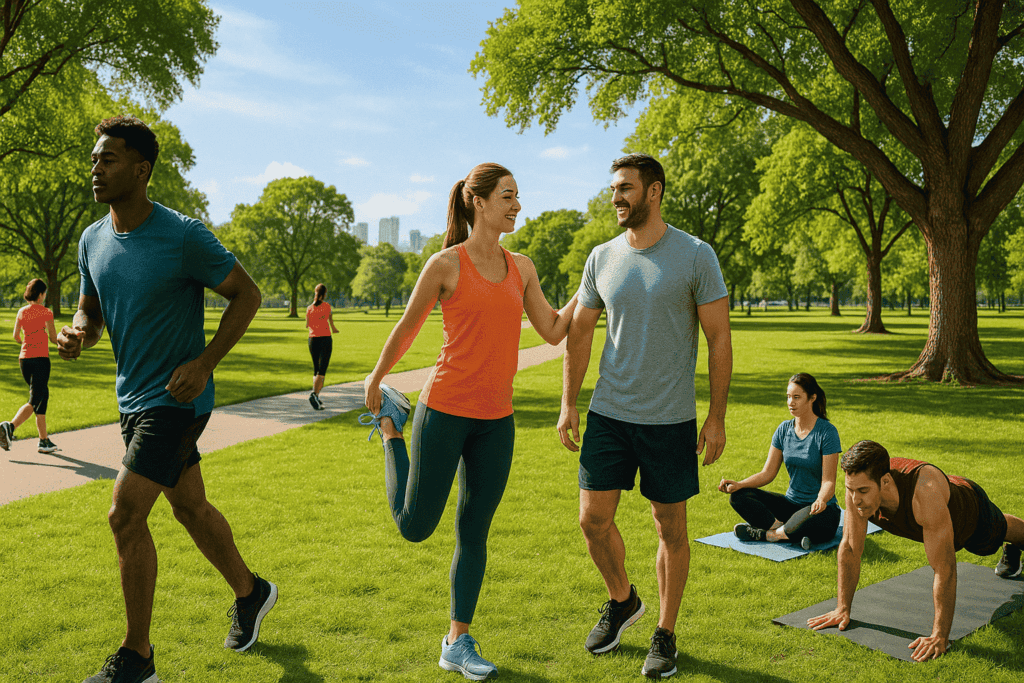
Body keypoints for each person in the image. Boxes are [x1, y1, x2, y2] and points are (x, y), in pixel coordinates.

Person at [56, 116, 274, 683]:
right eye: (94, 159)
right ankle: (251, 593)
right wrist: (79, 332)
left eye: (108, 159)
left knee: (125, 513)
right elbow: (91, 311)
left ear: (141, 168)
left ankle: (138, 657)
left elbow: (247, 294)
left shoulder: (182, 235)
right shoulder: (91, 238)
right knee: (188, 506)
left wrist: (204, 364)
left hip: (177, 402)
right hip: (131, 398)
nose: (95, 169)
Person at [361, 162, 578, 681]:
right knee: (415, 527)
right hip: (443, 411)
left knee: (473, 530)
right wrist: (375, 380)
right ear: (478, 202)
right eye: (507, 196)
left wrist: (593, 282)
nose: (517, 205)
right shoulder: (445, 264)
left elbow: (551, 330)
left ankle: (457, 640)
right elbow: (407, 327)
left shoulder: (522, 266)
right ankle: (391, 431)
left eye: (518, 196)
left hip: (496, 422)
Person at [557, 153, 732, 680]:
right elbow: (580, 332)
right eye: (613, 188)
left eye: (626, 188)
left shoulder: (696, 255)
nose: (616, 197)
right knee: (592, 519)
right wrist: (569, 401)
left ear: (653, 192)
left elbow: (719, 337)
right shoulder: (601, 257)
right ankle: (622, 599)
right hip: (610, 412)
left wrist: (717, 417)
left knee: (670, 527)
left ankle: (665, 633)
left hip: (669, 418)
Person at [808, 440, 1024, 661]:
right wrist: (842, 608)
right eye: (851, 490)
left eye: (863, 491)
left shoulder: (924, 492)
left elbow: (944, 568)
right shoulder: (859, 489)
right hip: (934, 516)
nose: (855, 499)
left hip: (970, 514)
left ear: (885, 481)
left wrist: (939, 636)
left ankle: (1015, 544)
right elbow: (851, 547)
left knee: (996, 536)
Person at [718, 373, 841, 550]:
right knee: (738, 497)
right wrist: (739, 484)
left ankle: (764, 534)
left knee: (804, 521)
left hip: (820, 510)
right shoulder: (784, 430)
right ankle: (784, 533)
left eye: (797, 397)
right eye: (788, 397)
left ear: (812, 398)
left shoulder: (827, 432)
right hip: (790, 506)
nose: (791, 402)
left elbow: (829, 480)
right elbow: (767, 473)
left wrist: (821, 499)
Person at [0, 278, 60, 454]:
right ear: (41, 295)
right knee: (34, 399)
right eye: (44, 293)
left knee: (42, 395)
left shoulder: (21, 312)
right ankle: (9, 427)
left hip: (24, 360)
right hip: (41, 360)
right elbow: (54, 338)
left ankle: (43, 441)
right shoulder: (46, 312)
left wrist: (27, 343)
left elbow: (16, 336)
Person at [305, 283, 338, 410]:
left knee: (316, 369)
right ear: (324, 294)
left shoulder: (309, 308)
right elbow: (331, 322)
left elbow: (307, 325)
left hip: (312, 340)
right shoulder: (327, 306)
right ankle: (314, 394)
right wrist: (334, 329)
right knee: (322, 370)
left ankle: (316, 397)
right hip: (325, 339)